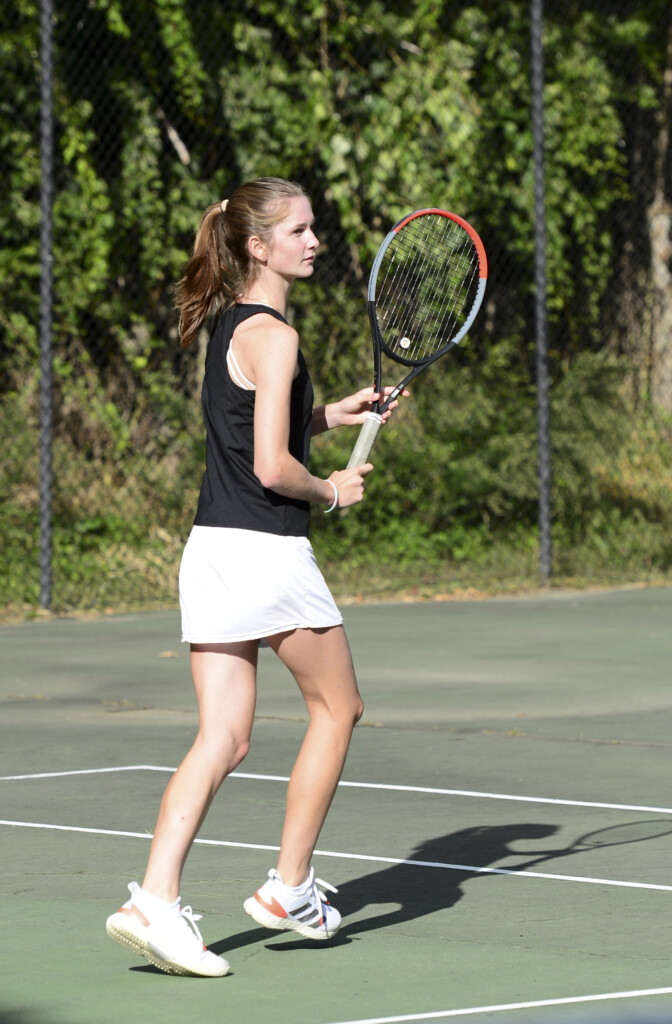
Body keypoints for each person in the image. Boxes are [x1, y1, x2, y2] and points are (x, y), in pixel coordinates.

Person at [105, 177, 404, 977]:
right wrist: (332, 490)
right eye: (300, 231)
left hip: (209, 550)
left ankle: (154, 901)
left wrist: (331, 415)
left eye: (314, 228)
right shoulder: (276, 335)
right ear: (257, 247)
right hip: (265, 551)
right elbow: (271, 467)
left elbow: (251, 428)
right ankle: (288, 888)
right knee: (337, 708)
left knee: (223, 738)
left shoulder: (232, 328)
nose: (315, 241)